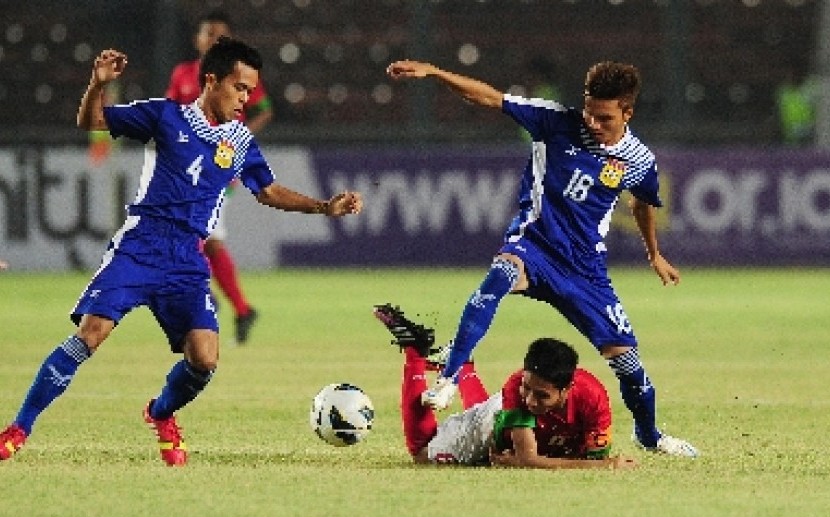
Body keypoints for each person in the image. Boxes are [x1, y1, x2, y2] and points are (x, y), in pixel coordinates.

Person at [0, 38, 362, 466]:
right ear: (211, 80)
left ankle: (160, 414)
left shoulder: (240, 141)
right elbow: (92, 121)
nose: (246, 99)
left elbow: (267, 190)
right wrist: (98, 85)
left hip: (188, 259)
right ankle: (18, 428)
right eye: (240, 87)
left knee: (205, 358)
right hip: (141, 245)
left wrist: (323, 207)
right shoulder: (165, 115)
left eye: (250, 91)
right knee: (92, 333)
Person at [386, 59, 698, 457]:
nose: (592, 123)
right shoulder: (554, 121)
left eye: (603, 118)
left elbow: (643, 202)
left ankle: (650, 435)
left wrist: (653, 253)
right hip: (532, 246)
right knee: (499, 277)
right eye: (588, 112)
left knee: (630, 365)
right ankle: (448, 376)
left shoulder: (638, 160)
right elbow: (488, 97)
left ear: (627, 113)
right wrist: (435, 73)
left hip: (584, 270)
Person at [373, 304, 636, 469]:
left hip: (503, 419)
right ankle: (415, 352)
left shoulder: (595, 398)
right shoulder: (516, 389)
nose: (531, 400)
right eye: (528, 388)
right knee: (422, 454)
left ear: (567, 389)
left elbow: (590, 459)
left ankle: (463, 365)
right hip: (491, 423)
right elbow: (529, 460)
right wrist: (607, 466)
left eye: (542, 395)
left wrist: (599, 463)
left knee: (482, 409)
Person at [166, 10, 274, 344]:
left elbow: (265, 109)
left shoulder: (238, 75)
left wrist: (237, 135)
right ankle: (240, 309)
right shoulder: (183, 74)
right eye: (209, 34)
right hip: (186, 167)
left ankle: (204, 297)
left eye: (221, 35)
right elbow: (169, 114)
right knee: (209, 241)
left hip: (219, 164)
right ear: (198, 39)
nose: (215, 40)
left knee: (197, 235)